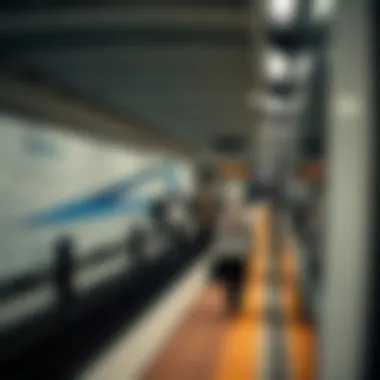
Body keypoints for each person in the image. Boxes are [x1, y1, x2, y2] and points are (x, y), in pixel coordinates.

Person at [211, 188, 251, 315]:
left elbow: (218, 236)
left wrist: (217, 251)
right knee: (237, 281)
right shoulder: (245, 217)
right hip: (238, 254)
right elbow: (248, 236)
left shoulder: (223, 218)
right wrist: (247, 250)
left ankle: (231, 303)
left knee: (230, 281)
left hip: (229, 253)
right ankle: (235, 303)